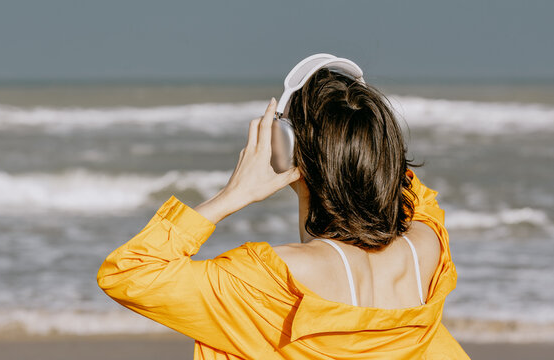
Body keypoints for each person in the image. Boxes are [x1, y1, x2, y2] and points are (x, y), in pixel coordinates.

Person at [97, 61, 470, 359]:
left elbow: (131, 273)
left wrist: (232, 195)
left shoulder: (272, 282)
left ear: (287, 150)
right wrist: (367, 143)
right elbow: (411, 189)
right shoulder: (428, 247)